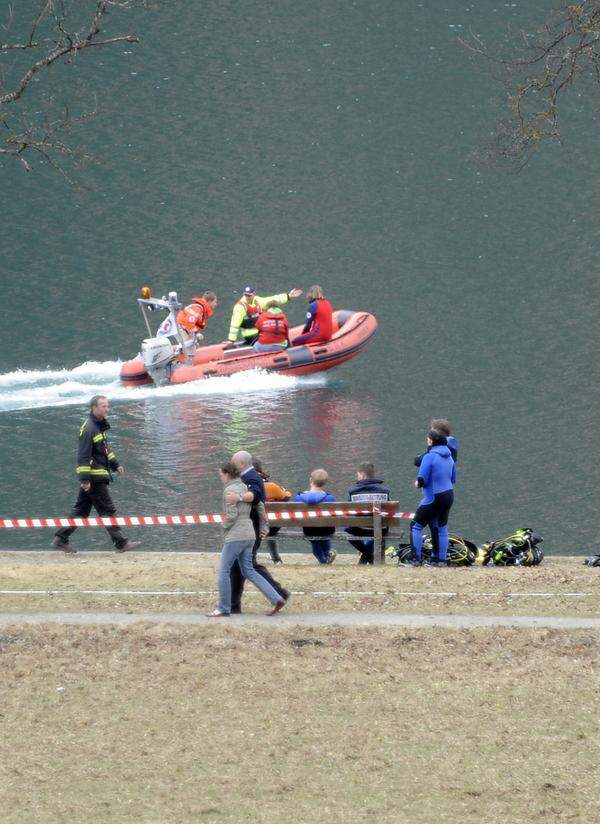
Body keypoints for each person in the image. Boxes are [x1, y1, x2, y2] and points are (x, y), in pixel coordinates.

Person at [52, 396, 141, 554]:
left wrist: (116, 464)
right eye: (103, 406)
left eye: (107, 406)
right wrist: (85, 479)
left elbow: (105, 450)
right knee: (107, 510)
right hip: (94, 478)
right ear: (93, 407)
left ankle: (60, 539)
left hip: (96, 477)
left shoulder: (98, 427)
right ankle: (121, 543)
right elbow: (83, 456)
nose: (107, 409)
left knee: (81, 511)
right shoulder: (88, 429)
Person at [206, 462, 286, 617]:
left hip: (236, 535)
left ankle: (223, 607)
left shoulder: (229, 490)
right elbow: (260, 505)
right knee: (248, 570)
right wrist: (264, 526)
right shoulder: (244, 488)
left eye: (221, 475)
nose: (220, 477)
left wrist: (222, 526)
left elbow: (231, 516)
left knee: (224, 570)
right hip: (250, 533)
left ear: (228, 474)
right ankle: (276, 598)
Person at [226, 451, 290, 613]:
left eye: (233, 463)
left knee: (246, 565)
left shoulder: (252, 479)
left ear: (241, 464)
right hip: (248, 527)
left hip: (250, 529)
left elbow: (256, 497)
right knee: (240, 565)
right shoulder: (254, 479)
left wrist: (238, 497)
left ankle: (278, 594)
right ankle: (235, 605)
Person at [411, 429, 457, 566]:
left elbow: (421, 480)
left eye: (427, 439)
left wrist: (417, 483)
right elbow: (453, 479)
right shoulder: (450, 457)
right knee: (441, 527)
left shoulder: (429, 456)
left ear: (431, 441)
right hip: (449, 495)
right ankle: (440, 560)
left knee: (416, 525)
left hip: (433, 497)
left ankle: (415, 560)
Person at [225, 285, 302, 347]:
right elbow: (234, 325)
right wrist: (231, 340)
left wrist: (288, 296)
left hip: (259, 333)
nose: (247, 297)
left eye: (249, 295)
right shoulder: (240, 307)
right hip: (251, 335)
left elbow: (272, 300)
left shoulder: (257, 301)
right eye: (246, 295)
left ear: (254, 294)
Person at [345, 463, 391, 564]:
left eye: (357, 475)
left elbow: (349, 512)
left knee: (346, 528)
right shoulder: (385, 491)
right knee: (377, 529)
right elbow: (388, 512)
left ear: (362, 475)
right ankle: (369, 555)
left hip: (359, 529)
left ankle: (367, 554)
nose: (357, 477)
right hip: (381, 529)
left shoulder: (353, 491)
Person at [294, 469, 337, 564]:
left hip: (309, 529)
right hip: (327, 530)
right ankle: (328, 553)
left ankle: (323, 560)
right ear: (325, 483)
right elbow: (333, 515)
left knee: (315, 539)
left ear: (310, 480)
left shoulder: (299, 498)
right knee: (323, 530)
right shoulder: (330, 498)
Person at [253, 457, 292, 564]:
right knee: (270, 531)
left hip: (253, 525)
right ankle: (276, 559)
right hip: (272, 525)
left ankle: (252, 558)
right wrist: (285, 491)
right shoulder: (272, 486)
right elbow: (287, 496)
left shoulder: (245, 487)